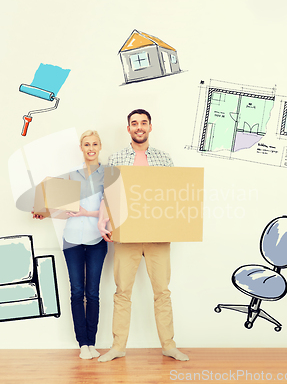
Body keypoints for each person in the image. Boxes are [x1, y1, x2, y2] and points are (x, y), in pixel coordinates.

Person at [97, 109, 189, 362]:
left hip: (158, 234)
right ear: (128, 129)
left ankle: (169, 345)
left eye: (143, 123)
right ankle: (118, 347)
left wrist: (179, 223)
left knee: (162, 291)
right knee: (122, 290)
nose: (139, 127)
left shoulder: (164, 159)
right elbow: (109, 192)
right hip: (126, 233)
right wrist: (103, 220)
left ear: (150, 127)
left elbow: (174, 194)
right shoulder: (116, 157)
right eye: (134, 123)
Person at [32, 130, 107, 360]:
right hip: (72, 239)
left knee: (92, 293)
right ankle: (82, 343)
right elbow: (59, 202)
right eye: (86, 144)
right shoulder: (70, 176)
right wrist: (43, 212)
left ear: (100, 147)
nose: (91, 148)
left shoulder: (109, 174)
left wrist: (88, 212)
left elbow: (111, 207)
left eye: (94, 143)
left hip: (97, 239)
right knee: (76, 291)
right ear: (81, 148)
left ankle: (92, 342)